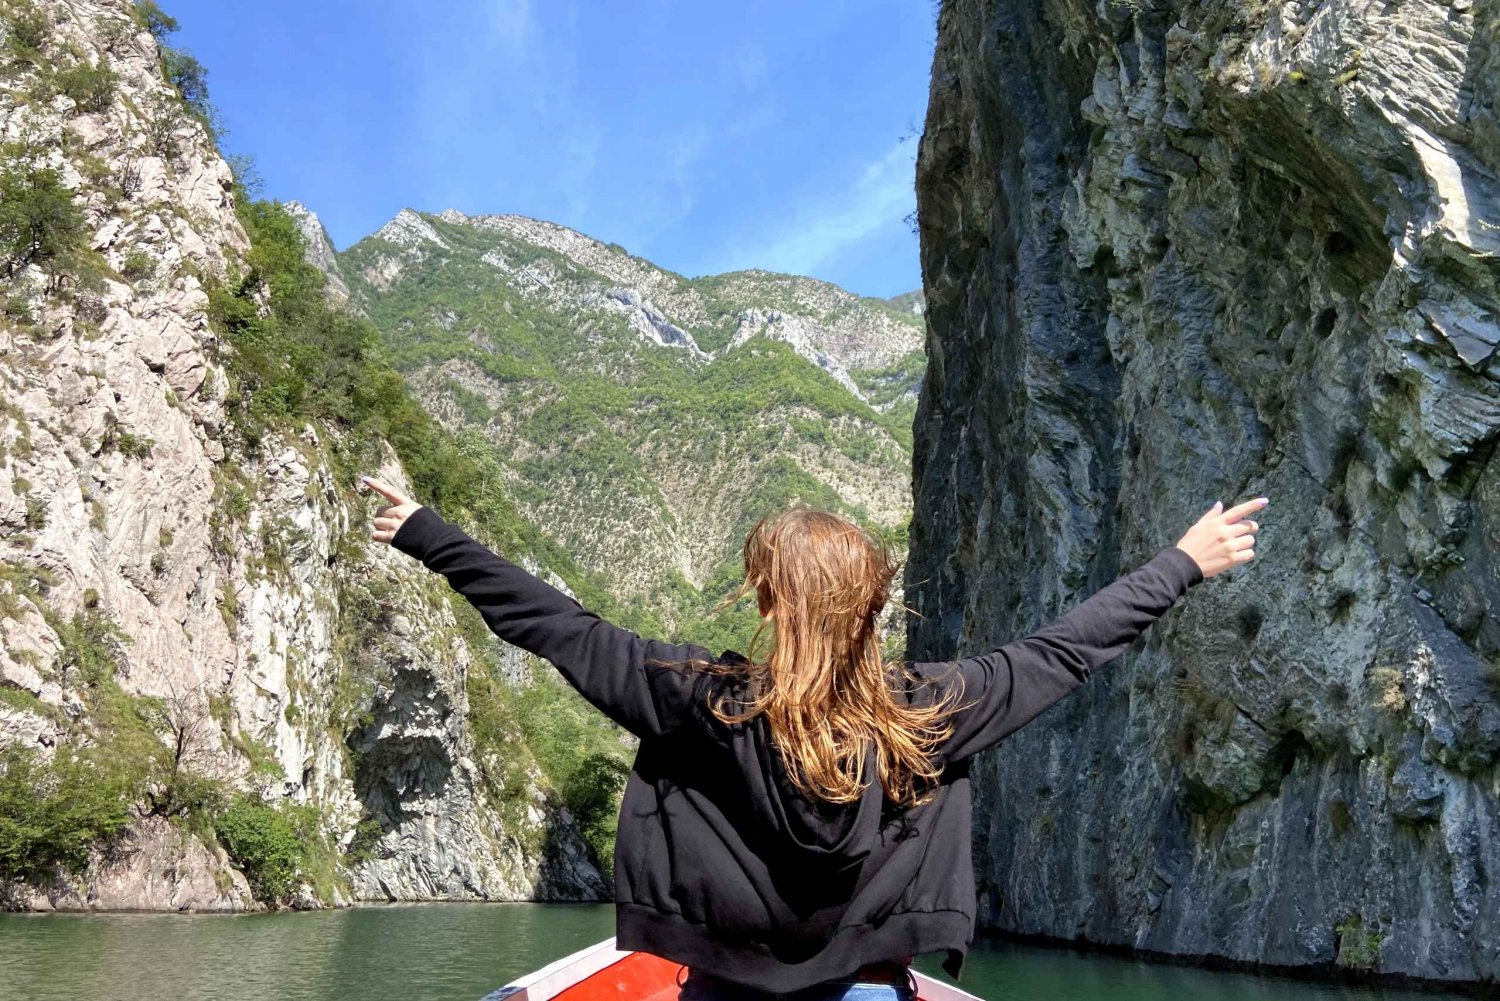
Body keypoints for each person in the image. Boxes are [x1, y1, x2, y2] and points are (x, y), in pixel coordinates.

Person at [362, 474, 1265, 1000]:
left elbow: (554, 623)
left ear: (765, 601)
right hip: (870, 989)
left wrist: (426, 532)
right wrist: (1182, 562)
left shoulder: (698, 702)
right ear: (875, 608)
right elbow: (1064, 650)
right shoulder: (930, 711)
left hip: (725, 992)